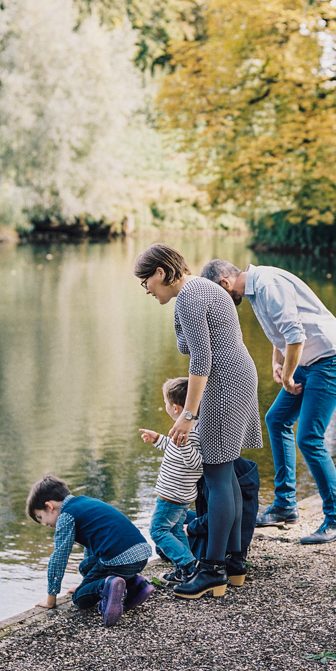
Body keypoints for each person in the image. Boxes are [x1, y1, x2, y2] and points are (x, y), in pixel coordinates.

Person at [134, 243, 262, 600]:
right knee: (226, 474)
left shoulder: (190, 296)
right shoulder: (203, 288)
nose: (146, 290)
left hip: (223, 381)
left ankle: (212, 571)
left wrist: (188, 415)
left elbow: (201, 360)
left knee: (218, 474)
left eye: (146, 282)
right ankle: (234, 564)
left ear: (161, 272)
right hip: (238, 374)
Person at [201, 260, 336, 544]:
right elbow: (282, 331)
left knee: (309, 439)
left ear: (225, 283)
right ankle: (285, 505)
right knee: (277, 419)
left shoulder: (268, 285)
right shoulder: (256, 288)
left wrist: (287, 375)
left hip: (330, 361)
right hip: (310, 361)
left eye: (218, 296)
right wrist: (277, 360)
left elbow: (296, 335)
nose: (220, 303)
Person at [26, 474, 154, 627]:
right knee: (84, 566)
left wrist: (51, 599)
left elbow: (59, 558)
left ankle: (107, 585)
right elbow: (91, 545)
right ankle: (137, 585)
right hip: (140, 554)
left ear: (49, 506)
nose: (44, 523)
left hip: (118, 559)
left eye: (41, 517)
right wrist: (86, 583)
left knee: (79, 598)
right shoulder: (85, 502)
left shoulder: (66, 516)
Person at [140, 376, 203, 585]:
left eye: (165, 403)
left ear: (176, 408)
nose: (164, 406)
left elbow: (197, 463)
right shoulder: (184, 430)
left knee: (157, 531)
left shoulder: (190, 433)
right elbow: (173, 447)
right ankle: (183, 569)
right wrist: (158, 439)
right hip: (177, 496)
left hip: (173, 497)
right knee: (175, 531)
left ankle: (188, 565)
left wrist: (182, 443)